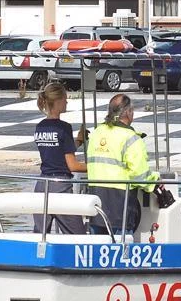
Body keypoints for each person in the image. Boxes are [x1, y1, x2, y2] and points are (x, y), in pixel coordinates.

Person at [86, 94, 162, 234]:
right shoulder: (130, 138)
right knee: (122, 250)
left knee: (96, 250)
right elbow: (139, 176)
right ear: (128, 112)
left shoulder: (96, 133)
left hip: (95, 204)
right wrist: (155, 180)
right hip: (120, 206)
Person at [33, 82, 87, 234]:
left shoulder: (40, 127)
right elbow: (73, 166)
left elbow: (56, 151)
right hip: (60, 186)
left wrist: (78, 142)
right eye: (65, 99)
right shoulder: (64, 127)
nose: (67, 102)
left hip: (42, 185)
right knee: (78, 236)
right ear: (58, 101)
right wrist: (98, 166)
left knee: (40, 235)